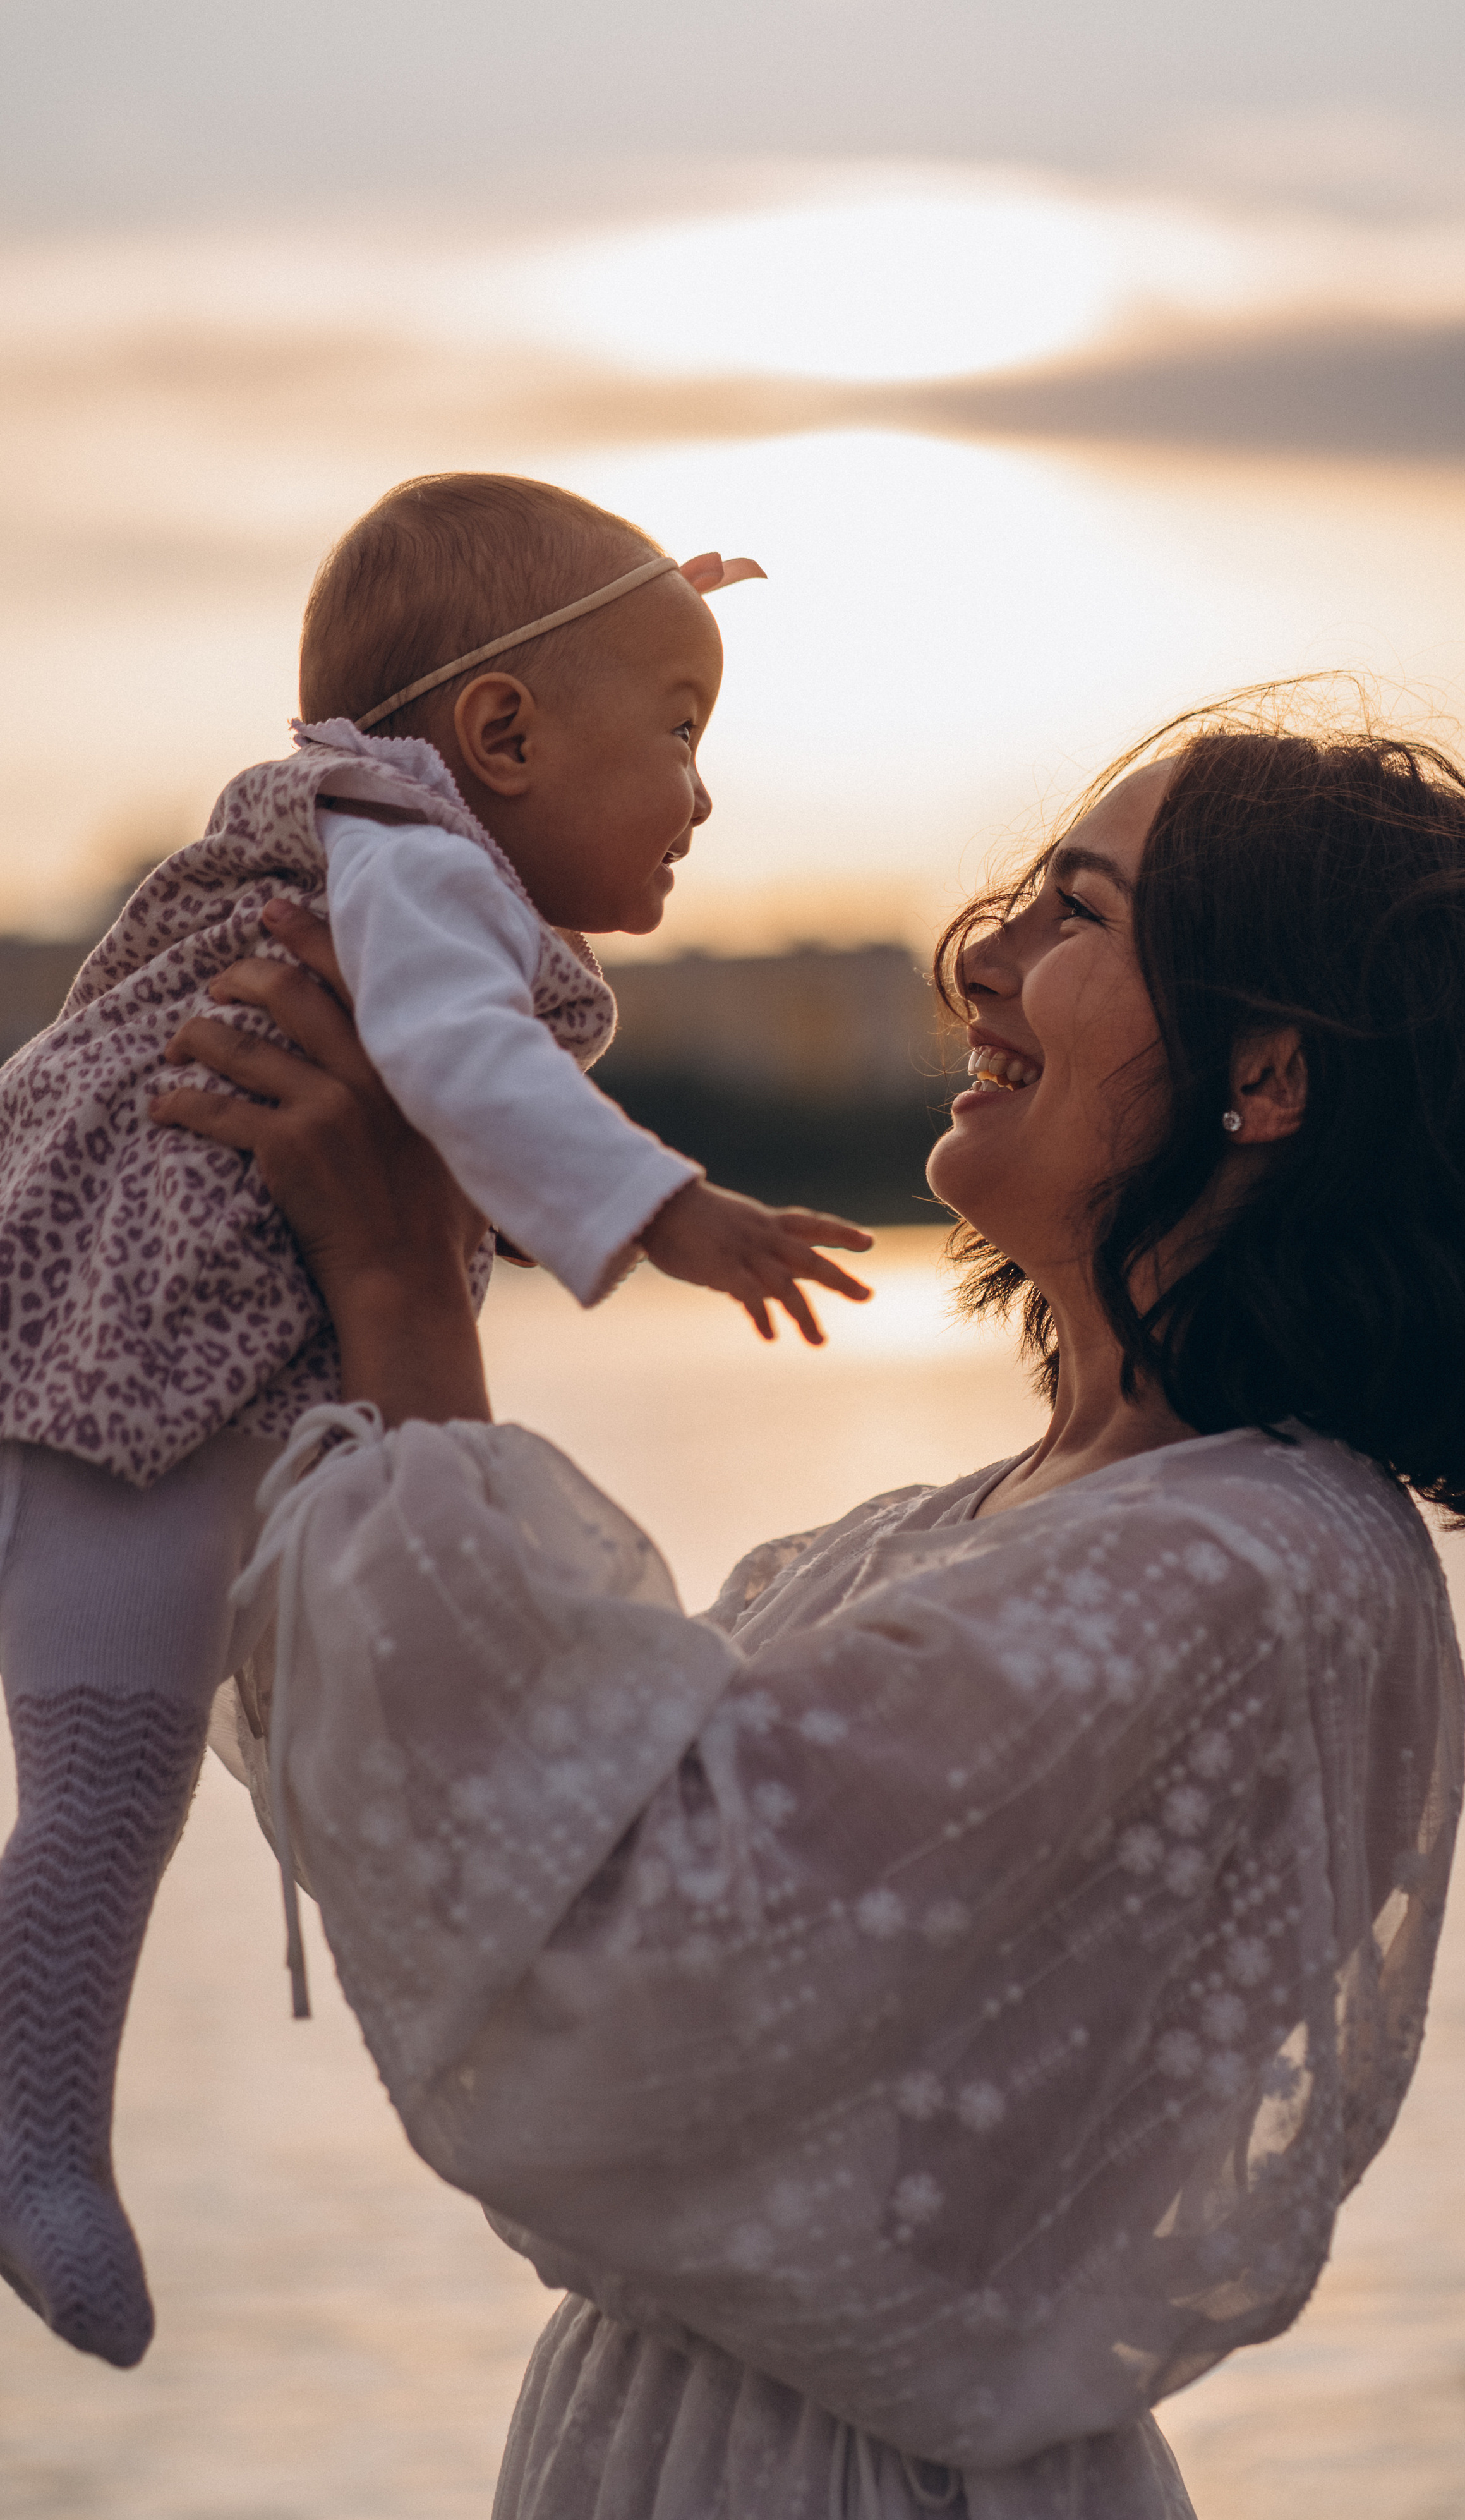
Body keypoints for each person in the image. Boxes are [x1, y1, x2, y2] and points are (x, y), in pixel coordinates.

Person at [156, 705, 1465, 2518]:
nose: (980, 955)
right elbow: (509, 1827)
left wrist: (405, 1290)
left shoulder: (1254, 1569)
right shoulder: (995, 1526)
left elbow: (637, 1993)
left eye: (1075, 914)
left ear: (1276, 1072)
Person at [0, 471, 871, 2368]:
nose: (704, 791)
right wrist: (667, 1203)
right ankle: (37, 2134)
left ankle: (37, 2129)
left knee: (100, 1778)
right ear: (497, 734)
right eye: (679, 727)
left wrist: (652, 604)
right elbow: (459, 1060)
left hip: (89, 1352)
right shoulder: (415, 864)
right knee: (108, 1778)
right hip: (123, 1373)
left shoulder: (364, 838)